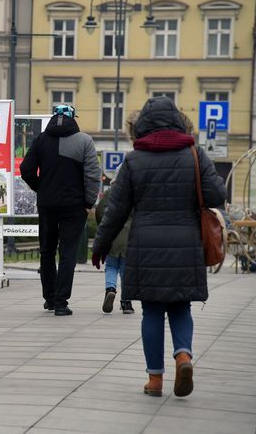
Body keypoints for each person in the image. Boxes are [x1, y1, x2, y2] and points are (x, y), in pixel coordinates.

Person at [92, 97, 226, 398]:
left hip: (146, 246)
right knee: (180, 307)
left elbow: (115, 210)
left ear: (142, 125)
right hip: (186, 244)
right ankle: (183, 356)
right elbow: (217, 195)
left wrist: (100, 246)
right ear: (178, 121)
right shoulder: (195, 155)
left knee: (151, 311)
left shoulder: (134, 160)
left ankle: (155, 380)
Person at [20, 104, 100, 316]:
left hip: (47, 204)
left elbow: (26, 169)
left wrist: (41, 187)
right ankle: (61, 303)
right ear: (74, 118)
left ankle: (49, 299)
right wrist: (89, 202)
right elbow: (92, 175)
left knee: (46, 251)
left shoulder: (40, 140)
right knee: (68, 252)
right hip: (74, 205)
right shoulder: (84, 141)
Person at [95, 111, 139, 315]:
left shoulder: (111, 194)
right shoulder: (135, 195)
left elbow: (100, 210)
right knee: (126, 270)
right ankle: (126, 302)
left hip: (113, 238)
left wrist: (101, 229)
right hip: (130, 239)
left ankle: (110, 289)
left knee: (111, 266)